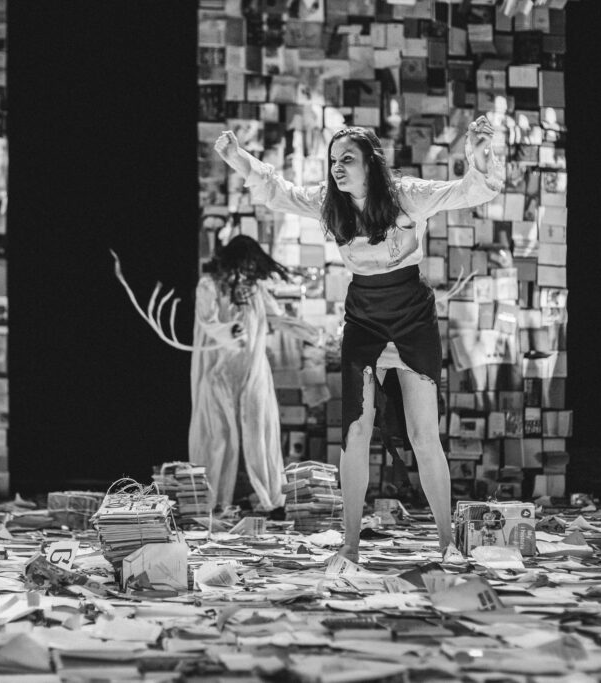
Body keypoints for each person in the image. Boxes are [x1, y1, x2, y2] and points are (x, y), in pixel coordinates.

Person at [214, 116, 503, 561]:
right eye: (333, 160)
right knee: (355, 432)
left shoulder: (406, 195)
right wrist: (238, 158)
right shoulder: (330, 204)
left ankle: (446, 542)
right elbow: (278, 191)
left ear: (371, 163)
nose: (337, 167)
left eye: (347, 159)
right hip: (364, 319)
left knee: (424, 434)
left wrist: (480, 159)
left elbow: (466, 192)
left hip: (411, 317)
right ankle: (350, 545)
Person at [189, 234, 320, 514]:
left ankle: (271, 500)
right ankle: (211, 504)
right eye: (245, 264)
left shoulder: (255, 289)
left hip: (253, 371)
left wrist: (311, 334)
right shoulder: (210, 285)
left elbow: (277, 318)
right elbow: (208, 321)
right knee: (218, 436)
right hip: (219, 372)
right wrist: (230, 331)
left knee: (261, 431)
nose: (248, 270)